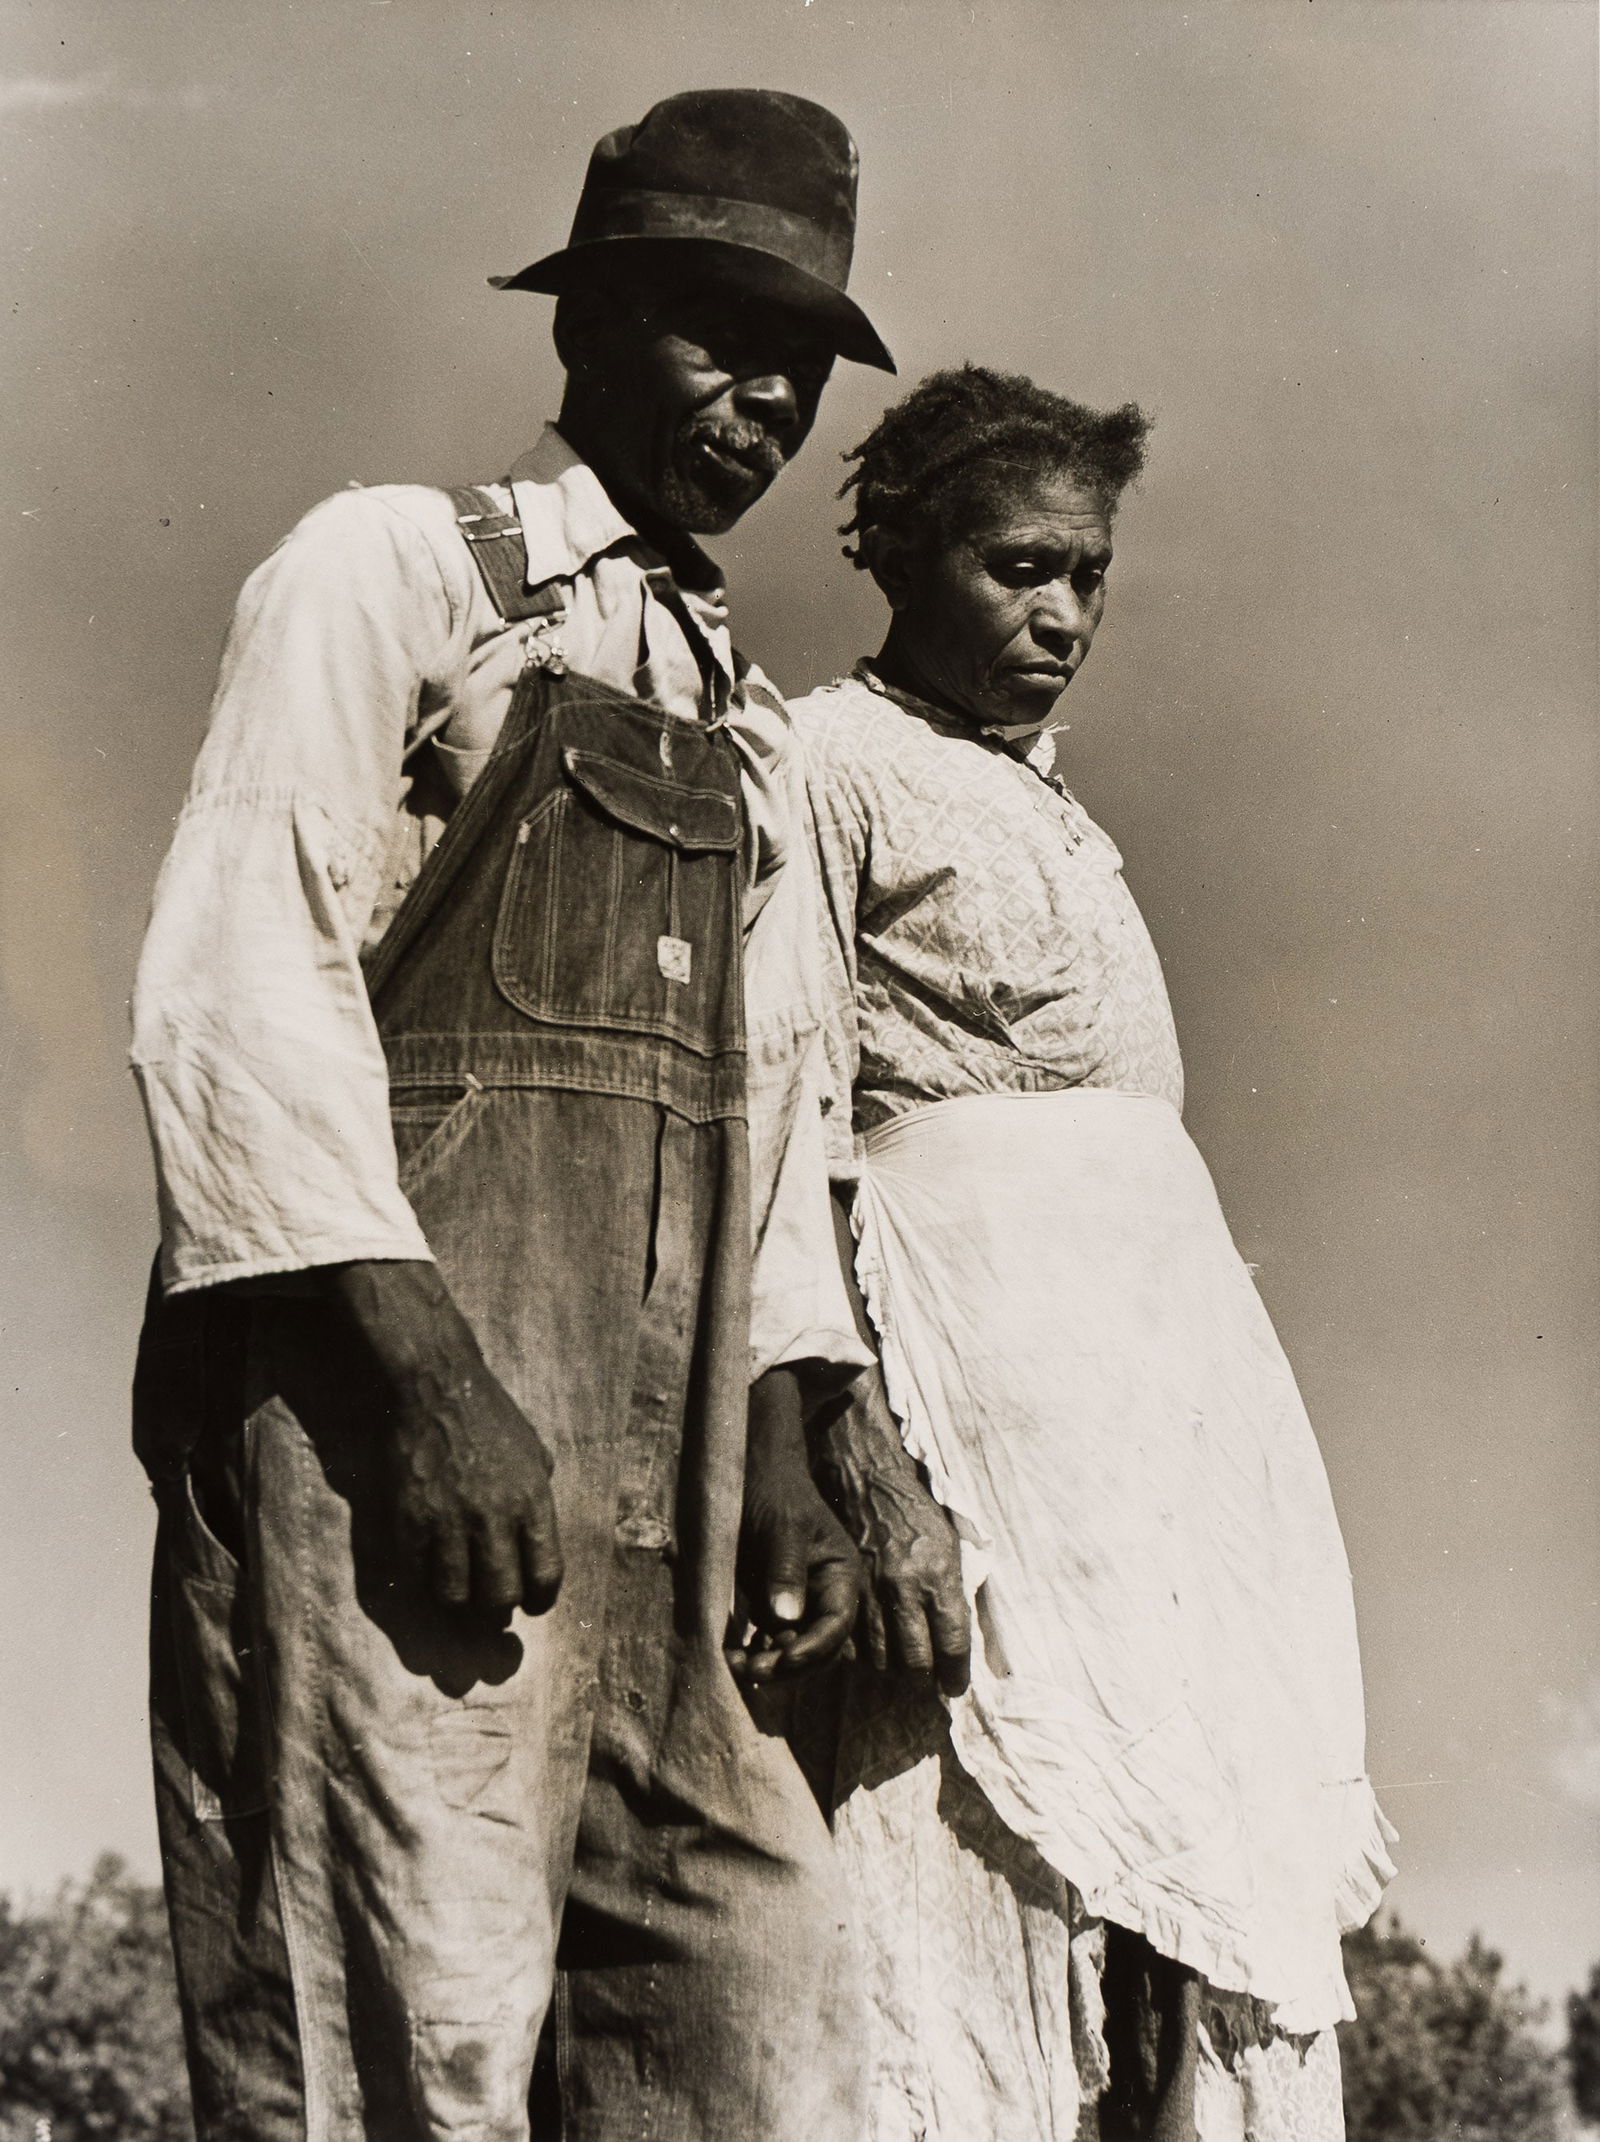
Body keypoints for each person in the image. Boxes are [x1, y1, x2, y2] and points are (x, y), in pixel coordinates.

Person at [128, 89, 897, 2142]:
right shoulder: (397, 564)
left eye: (800, 359)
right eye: (713, 328)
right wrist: (421, 1372)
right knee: (402, 2050)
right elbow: (236, 971)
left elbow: (772, 1111)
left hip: (665, 1510)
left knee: (761, 2045)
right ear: (584, 326)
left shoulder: (744, 718)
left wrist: (787, 1436)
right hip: (397, 1443)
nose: (761, 391)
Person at [787, 365, 1396, 2141]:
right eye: (1016, 567)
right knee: (980, 1867)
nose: (1060, 615)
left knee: (1189, 1910)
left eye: (1090, 576)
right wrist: (865, 1459)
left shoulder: (1052, 801)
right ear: (904, 554)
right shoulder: (829, 761)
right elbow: (791, 1116)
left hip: (1164, 1426)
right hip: (977, 1394)